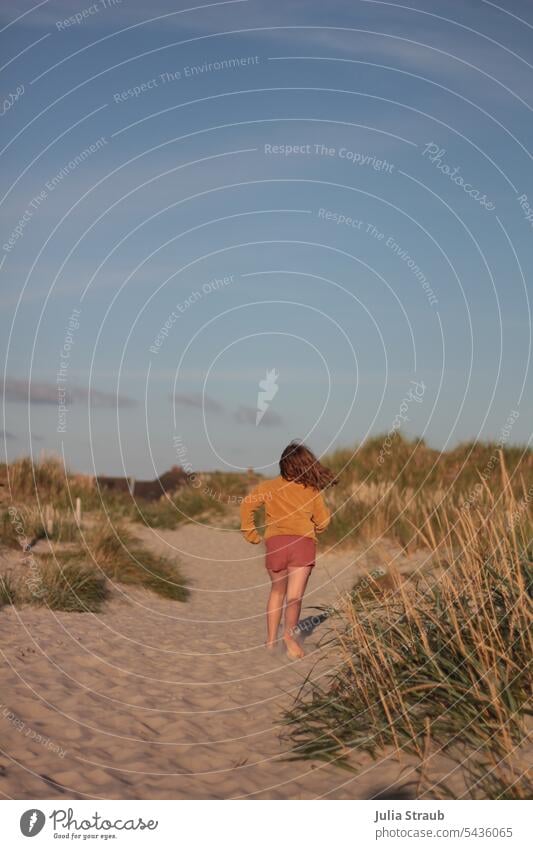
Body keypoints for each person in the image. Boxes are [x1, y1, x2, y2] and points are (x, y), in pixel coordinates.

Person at [240, 441, 336, 659]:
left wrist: (251, 533)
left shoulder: (268, 487)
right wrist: (318, 527)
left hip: (276, 544)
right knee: (294, 597)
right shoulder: (312, 490)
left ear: (283, 464)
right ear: (305, 465)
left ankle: (271, 641)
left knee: (277, 592)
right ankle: (289, 637)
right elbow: (324, 521)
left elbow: (247, 504)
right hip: (302, 545)